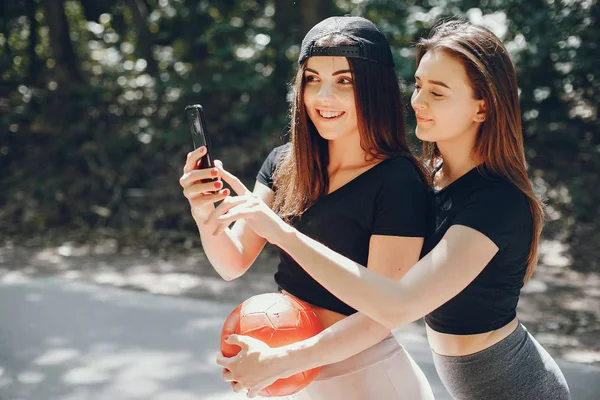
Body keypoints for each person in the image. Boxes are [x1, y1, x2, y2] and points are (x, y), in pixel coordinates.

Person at [210, 19, 572, 400]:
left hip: (520, 387)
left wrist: (281, 234)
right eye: (418, 86)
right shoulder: (433, 178)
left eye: (438, 92)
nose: (418, 102)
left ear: (482, 108)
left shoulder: (496, 202)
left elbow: (397, 306)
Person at [180, 16, 435, 400]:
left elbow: (380, 318)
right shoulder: (284, 163)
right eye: (312, 79)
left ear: (375, 88)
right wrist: (204, 214)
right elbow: (231, 263)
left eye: (344, 81)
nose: (323, 97)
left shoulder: (400, 181)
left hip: (366, 378)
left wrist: (284, 361)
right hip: (288, 374)